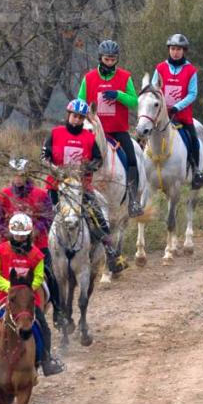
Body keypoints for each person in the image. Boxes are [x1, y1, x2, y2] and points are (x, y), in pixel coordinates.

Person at [0, 213, 65, 376]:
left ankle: (46, 360)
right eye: (16, 234)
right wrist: (10, 288)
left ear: (29, 234)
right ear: (11, 233)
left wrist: (25, 290)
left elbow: (39, 276)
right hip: (1, 295)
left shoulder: (37, 254)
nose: (19, 238)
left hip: (27, 298)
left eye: (23, 235)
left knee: (43, 327)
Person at [42, 99, 127, 274]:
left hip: (81, 187)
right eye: (74, 116)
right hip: (56, 186)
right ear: (68, 115)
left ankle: (112, 253)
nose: (77, 120)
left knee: (98, 216)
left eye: (81, 117)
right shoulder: (56, 133)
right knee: (46, 218)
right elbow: (44, 156)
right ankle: (44, 260)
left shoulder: (89, 138)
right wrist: (55, 169)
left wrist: (84, 169)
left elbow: (98, 160)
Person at [77, 39, 144, 218]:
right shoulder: (89, 78)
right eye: (106, 59)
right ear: (100, 58)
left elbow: (134, 101)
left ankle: (133, 199)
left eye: (113, 59)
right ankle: (78, 197)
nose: (109, 63)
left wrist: (118, 95)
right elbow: (80, 102)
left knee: (132, 159)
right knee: (79, 161)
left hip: (117, 129)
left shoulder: (125, 77)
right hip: (94, 131)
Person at [0, 158, 60, 318]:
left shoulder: (40, 194)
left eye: (21, 175)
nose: (18, 179)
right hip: (9, 246)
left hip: (37, 246)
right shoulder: (4, 195)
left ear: (27, 175)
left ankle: (59, 310)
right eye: (15, 175)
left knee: (50, 275)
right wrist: (7, 234)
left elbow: (48, 216)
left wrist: (36, 231)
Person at [152, 33, 203, 189]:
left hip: (182, 116)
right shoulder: (160, 68)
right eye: (172, 49)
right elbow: (153, 89)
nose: (175, 52)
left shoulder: (190, 70)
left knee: (193, 140)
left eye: (178, 49)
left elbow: (192, 94)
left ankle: (197, 171)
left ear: (184, 51)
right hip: (161, 116)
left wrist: (178, 106)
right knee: (144, 134)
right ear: (169, 50)